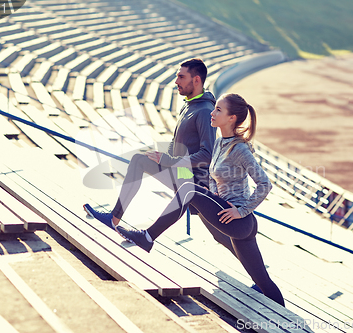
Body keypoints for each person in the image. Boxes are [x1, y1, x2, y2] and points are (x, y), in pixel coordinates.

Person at [116, 93, 286, 307]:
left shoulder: (239, 149)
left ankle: (147, 237)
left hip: (239, 221)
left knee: (189, 189)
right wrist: (213, 192)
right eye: (214, 109)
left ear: (232, 118)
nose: (212, 114)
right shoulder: (219, 143)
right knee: (264, 284)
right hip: (231, 218)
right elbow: (214, 173)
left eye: (218, 110)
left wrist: (241, 211)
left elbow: (265, 184)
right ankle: (291, 324)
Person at [84, 58, 216, 227]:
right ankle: (116, 219)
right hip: (181, 171)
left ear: (196, 80)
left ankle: (116, 219)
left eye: (181, 77)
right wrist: (166, 157)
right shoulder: (189, 105)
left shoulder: (205, 111)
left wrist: (168, 161)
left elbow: (208, 154)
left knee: (139, 161)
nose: (176, 81)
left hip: (192, 179)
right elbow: (177, 141)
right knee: (140, 160)